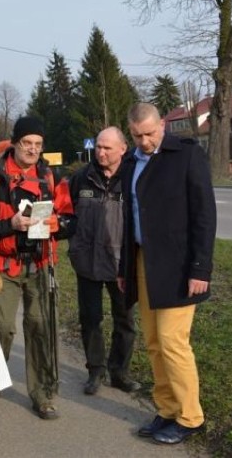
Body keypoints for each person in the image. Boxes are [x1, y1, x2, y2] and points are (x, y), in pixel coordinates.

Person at [117, 102, 216, 445]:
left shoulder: (186, 155)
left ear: (162, 125)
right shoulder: (130, 162)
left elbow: (204, 215)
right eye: (137, 135)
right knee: (155, 342)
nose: (145, 141)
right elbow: (129, 219)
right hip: (144, 261)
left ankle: (191, 417)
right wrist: (123, 268)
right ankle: (168, 408)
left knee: (174, 341)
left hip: (179, 265)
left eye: (150, 133)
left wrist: (200, 267)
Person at [0, 116, 75, 420]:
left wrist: (53, 224)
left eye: (38, 144)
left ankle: (43, 395)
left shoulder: (51, 178)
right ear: (15, 143)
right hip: (3, 265)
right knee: (3, 326)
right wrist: (9, 224)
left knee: (40, 327)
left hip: (40, 264)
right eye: (27, 143)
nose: (33, 150)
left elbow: (70, 220)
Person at [68, 127, 140, 395]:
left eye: (107, 148)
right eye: (98, 146)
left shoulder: (133, 178)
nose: (101, 152)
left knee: (125, 321)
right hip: (86, 261)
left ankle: (120, 372)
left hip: (121, 262)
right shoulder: (80, 179)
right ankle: (95, 371)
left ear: (122, 149)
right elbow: (67, 215)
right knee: (91, 319)